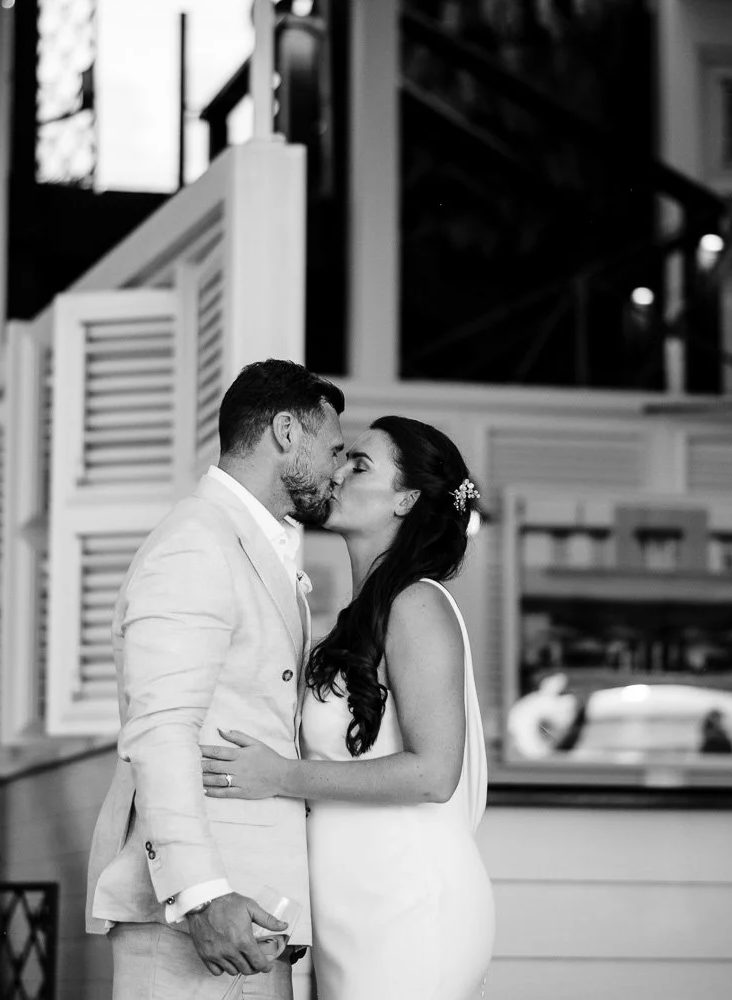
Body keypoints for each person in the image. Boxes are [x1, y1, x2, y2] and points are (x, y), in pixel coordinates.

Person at [200, 416, 495, 1000]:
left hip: (407, 906)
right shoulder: (352, 618)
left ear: (406, 499)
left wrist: (281, 776)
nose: (336, 473)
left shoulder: (417, 604)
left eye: (359, 465)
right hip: (352, 914)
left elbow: (435, 774)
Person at [85, 359, 346, 1000]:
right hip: (207, 915)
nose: (339, 469)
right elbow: (160, 729)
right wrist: (200, 894)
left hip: (254, 911)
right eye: (334, 448)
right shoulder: (196, 544)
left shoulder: (247, 543)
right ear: (287, 431)